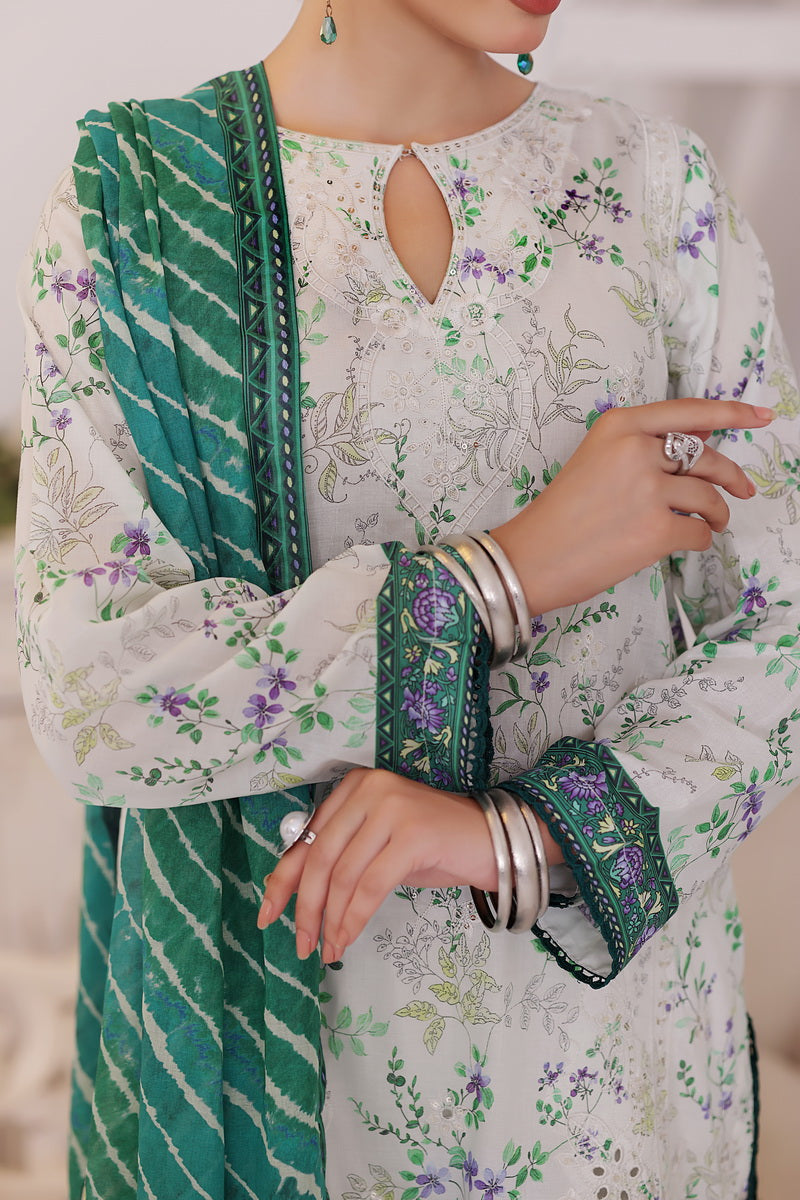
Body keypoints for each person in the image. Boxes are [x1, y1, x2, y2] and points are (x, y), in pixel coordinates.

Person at [15, 1, 800, 1197]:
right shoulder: (137, 199)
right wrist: (503, 572)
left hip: (617, 1081)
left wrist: (514, 833)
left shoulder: (655, 187)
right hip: (291, 1085)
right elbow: (88, 694)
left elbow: (782, 632)